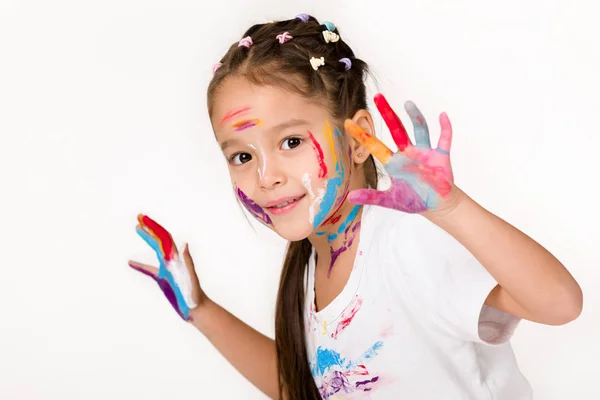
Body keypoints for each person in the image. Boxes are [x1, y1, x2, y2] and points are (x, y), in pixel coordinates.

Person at [128, 14, 583, 400]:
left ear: (357, 137)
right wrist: (200, 309)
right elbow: (303, 387)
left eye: (291, 141)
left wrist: (451, 209)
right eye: (242, 156)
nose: (266, 176)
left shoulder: (404, 240)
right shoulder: (310, 266)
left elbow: (560, 304)